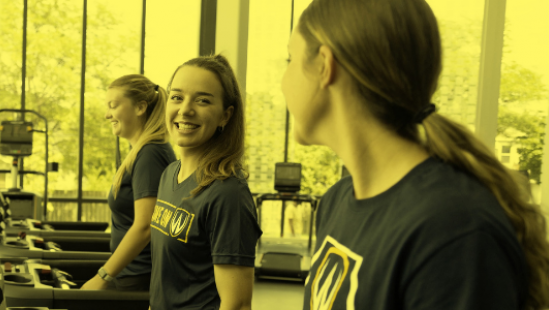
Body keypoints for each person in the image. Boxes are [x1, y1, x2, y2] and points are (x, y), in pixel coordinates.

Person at [283, 0, 549, 309]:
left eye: (290, 59)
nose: (283, 81)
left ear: (324, 66)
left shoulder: (453, 232)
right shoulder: (336, 202)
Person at [149, 55, 262, 310]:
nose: (185, 110)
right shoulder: (169, 174)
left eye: (202, 100)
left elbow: (237, 303)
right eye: (177, 97)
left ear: (225, 115)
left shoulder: (227, 193)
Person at [81, 74, 177, 291]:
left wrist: (102, 277)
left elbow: (146, 226)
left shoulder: (150, 154)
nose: (107, 115)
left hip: (139, 278)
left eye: (113, 106)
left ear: (140, 107)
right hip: (131, 274)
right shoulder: (143, 152)